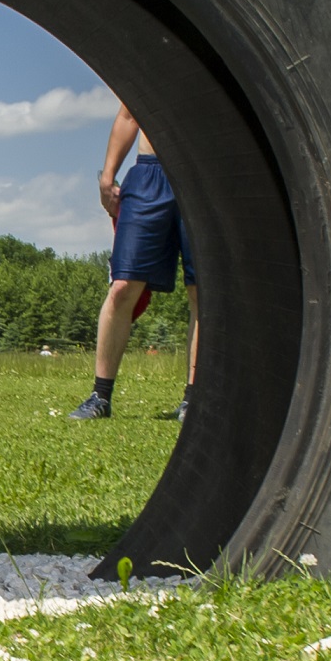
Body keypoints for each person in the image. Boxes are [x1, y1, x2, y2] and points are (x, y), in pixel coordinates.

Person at [69, 104, 199, 423]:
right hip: (149, 173)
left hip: (201, 171)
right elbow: (129, 115)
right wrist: (108, 176)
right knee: (122, 287)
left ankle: (194, 399)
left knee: (201, 292)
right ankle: (100, 396)